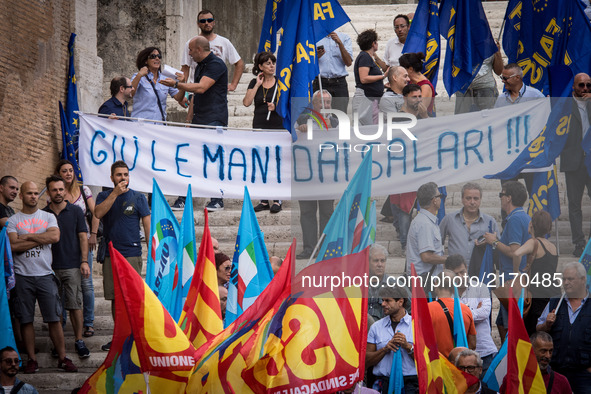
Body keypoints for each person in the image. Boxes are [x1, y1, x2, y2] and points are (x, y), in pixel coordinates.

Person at [6, 181, 77, 373]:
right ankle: (32, 359)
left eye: (36, 193)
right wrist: (39, 236)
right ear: (21, 196)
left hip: (45, 274)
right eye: (29, 193)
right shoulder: (13, 221)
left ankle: (62, 357)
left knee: (54, 318)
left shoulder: (48, 216)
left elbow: (54, 238)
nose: (33, 196)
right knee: (26, 319)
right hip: (23, 277)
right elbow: (13, 246)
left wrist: (27, 237)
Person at [163, 36, 229, 212]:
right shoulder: (200, 66)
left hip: (215, 118)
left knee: (212, 158)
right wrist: (188, 119)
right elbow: (196, 95)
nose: (189, 54)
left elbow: (201, 87)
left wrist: (177, 84)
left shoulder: (217, 64)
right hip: (199, 118)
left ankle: (217, 199)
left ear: (199, 49)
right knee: (189, 157)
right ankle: (183, 198)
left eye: (191, 50)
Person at [95, 161, 150, 352]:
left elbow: (147, 223)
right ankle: (119, 337)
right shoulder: (104, 195)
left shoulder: (138, 197)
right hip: (112, 255)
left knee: (132, 297)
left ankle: (135, 336)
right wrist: (115, 194)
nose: (122, 178)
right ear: (112, 178)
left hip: (132, 254)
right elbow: (98, 213)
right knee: (115, 298)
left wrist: (151, 249)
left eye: (125, 174)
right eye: (118, 175)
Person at [42, 175, 90, 359]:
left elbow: (82, 237)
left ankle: (79, 340)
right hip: (49, 268)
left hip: (72, 265)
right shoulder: (44, 214)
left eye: (61, 189)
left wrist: (84, 261)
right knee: (55, 309)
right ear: (48, 192)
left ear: (65, 190)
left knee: (75, 305)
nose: (58, 193)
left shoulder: (77, 211)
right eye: (54, 190)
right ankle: (58, 343)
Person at [54, 159, 98, 338]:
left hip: (84, 243)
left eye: (70, 170)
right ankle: (60, 323)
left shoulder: (84, 190)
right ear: (59, 174)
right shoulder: (54, 194)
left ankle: (88, 323)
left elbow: (96, 213)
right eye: (64, 171)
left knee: (86, 285)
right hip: (63, 247)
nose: (68, 174)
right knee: (62, 286)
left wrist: (93, 234)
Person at [483, 181, 530, 339]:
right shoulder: (522, 217)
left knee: (510, 326)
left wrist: (494, 242)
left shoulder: (515, 219)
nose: (500, 198)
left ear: (508, 198)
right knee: (502, 323)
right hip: (513, 279)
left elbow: (515, 251)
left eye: (501, 195)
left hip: (512, 280)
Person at [537, 262, 591, 392]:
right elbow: (538, 330)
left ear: (583, 280)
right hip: (557, 371)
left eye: (570, 279)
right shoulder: (555, 302)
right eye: (564, 279)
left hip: (584, 374)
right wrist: (547, 324)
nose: (566, 283)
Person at [295, 90, 336, 260]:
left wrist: (332, 126)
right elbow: (293, 136)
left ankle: (325, 247)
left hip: (327, 176)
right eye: (321, 102)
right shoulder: (302, 119)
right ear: (314, 104)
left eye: (328, 103)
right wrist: (301, 128)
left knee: (327, 212)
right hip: (307, 175)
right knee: (307, 212)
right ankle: (309, 248)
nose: (325, 106)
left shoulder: (336, 120)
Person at [243, 51, 284, 214]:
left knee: (276, 164)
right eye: (267, 63)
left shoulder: (280, 83)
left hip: (277, 127)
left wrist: (277, 107)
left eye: (273, 62)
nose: (272, 65)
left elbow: (288, 106)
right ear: (260, 66)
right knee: (261, 164)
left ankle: (278, 198)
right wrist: (258, 85)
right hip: (260, 126)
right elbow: (246, 102)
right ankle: (264, 199)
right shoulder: (254, 82)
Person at [446, 255, 497, 376]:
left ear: (467, 268)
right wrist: (472, 311)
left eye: (462, 272)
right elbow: (447, 319)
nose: (460, 276)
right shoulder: (445, 293)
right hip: (459, 356)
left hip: (484, 351)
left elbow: (485, 312)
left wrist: (460, 313)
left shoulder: (481, 288)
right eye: (455, 274)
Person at [513, 211, 559, 335]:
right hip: (553, 294)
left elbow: (516, 253)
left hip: (538, 296)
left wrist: (516, 271)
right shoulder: (552, 246)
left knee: (533, 334)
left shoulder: (533, 242)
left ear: (532, 224)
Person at [561, 72, 591, 257]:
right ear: (574, 86)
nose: (585, 89)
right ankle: (578, 243)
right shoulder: (564, 104)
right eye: (581, 85)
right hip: (573, 161)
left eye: (589, 85)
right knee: (574, 205)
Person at [366, 286, 417, 394]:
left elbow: (427, 360)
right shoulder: (376, 327)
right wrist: (384, 349)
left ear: (400, 302)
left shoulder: (417, 325)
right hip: (382, 383)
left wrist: (408, 347)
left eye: (388, 301)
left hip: (411, 384)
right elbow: (366, 361)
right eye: (383, 300)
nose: (383, 304)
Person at [440, 182, 498, 273]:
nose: (472, 202)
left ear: (480, 200)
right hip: (455, 272)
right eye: (468, 198)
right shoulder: (449, 219)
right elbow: (438, 243)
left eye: (476, 198)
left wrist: (491, 242)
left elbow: (498, 248)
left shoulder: (490, 222)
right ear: (462, 199)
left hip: (481, 272)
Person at [181, 9, 244, 92]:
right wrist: (183, 92)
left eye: (209, 20)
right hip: (196, 90)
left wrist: (233, 85)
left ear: (214, 22)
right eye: (203, 21)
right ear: (198, 24)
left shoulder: (224, 42)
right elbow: (185, 68)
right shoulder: (191, 43)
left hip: (217, 91)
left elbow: (239, 63)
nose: (207, 23)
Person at [499, 332, 572, 393]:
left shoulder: (561, 382)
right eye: (543, 351)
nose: (548, 355)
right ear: (531, 350)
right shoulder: (513, 379)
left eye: (550, 351)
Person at [427, 270, 477, 358]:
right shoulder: (465, 309)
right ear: (455, 287)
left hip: (437, 365)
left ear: (436, 284)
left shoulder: (427, 309)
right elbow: (472, 344)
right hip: (458, 365)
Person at [130, 46, 186, 122]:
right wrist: (139, 75)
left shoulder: (165, 78)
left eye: (159, 56)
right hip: (142, 125)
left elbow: (179, 98)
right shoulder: (138, 77)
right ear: (146, 61)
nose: (157, 58)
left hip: (159, 125)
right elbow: (130, 93)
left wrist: (182, 83)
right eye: (153, 56)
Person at [405, 182, 446, 281]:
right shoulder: (425, 224)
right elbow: (426, 257)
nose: (441, 198)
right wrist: (449, 260)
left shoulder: (426, 221)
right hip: (424, 282)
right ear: (434, 201)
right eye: (439, 196)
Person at [454, 41, 503, 114]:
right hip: (464, 88)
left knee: (489, 118)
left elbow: (499, 71)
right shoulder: (461, 40)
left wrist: (497, 53)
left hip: (486, 87)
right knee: (462, 121)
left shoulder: (490, 43)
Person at [313, 31, 353, 114]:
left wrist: (340, 44)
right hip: (320, 81)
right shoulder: (314, 37)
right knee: (318, 114)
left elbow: (348, 62)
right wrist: (317, 57)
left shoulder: (344, 37)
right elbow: (307, 64)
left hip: (339, 83)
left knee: (340, 115)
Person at [352, 29, 386, 126]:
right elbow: (364, 78)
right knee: (364, 128)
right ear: (373, 43)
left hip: (370, 99)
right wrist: (382, 76)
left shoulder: (368, 56)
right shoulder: (364, 57)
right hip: (365, 99)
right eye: (376, 41)